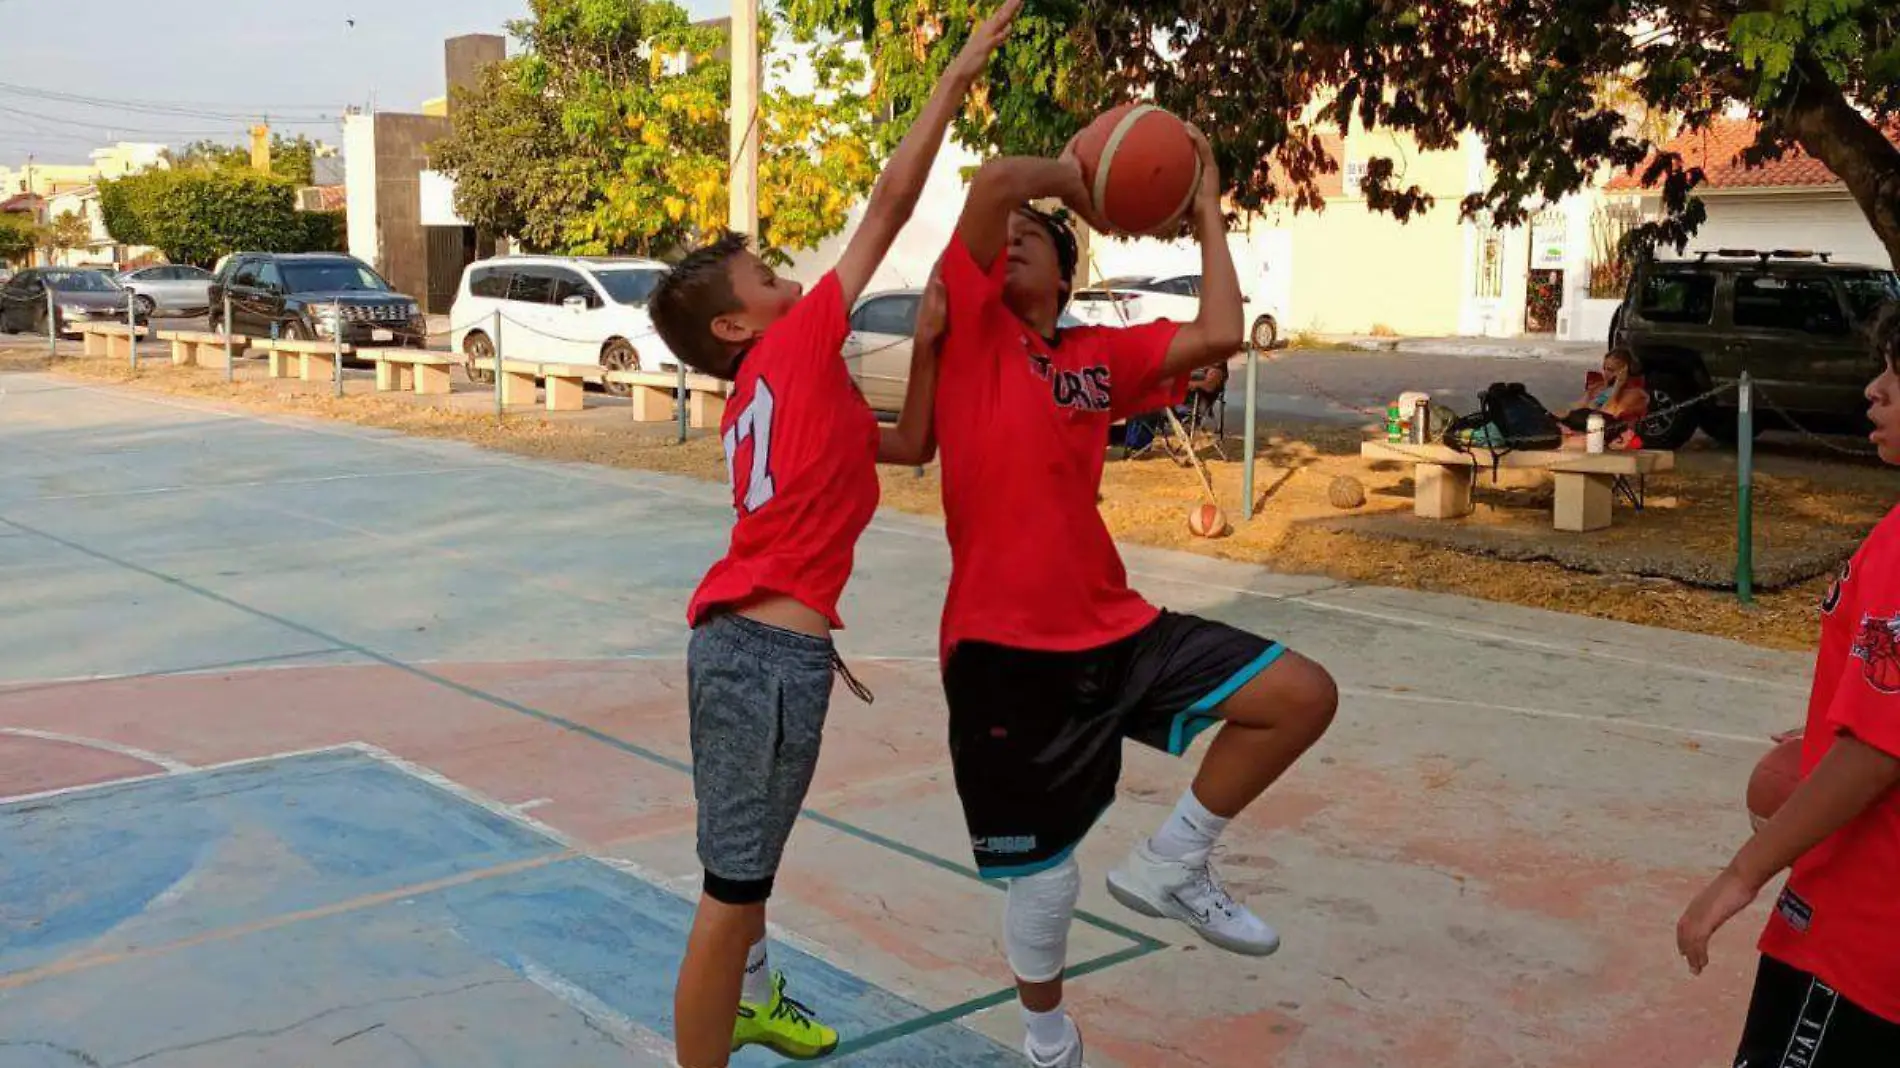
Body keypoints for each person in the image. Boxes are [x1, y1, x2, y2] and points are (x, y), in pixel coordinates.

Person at [645, 5, 1019, 1064]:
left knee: (749, 868)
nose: (785, 276)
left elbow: (905, 449)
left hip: (772, 656)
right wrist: (948, 82)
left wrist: (936, 344)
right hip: (760, 658)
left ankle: (756, 1000)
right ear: (735, 326)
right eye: (762, 277)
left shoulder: (786, 386)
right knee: (729, 892)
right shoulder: (799, 345)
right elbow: (891, 205)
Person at [930, 131, 1339, 1066]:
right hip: (1003, 650)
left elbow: (1220, 333)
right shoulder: (974, 335)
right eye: (1012, 234)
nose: (1017, 234)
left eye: (1039, 233)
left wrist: (1203, 207)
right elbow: (995, 183)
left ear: (1067, 279)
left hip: (1117, 627)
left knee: (1300, 696)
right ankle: (1048, 1041)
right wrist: (1086, 181)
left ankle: (1175, 859)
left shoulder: (1094, 356)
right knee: (1044, 881)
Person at [1676, 302, 1900, 1066]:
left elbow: (1878, 752)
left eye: (1897, 376)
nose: (1874, 389)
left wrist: (1742, 874)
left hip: (1857, 940)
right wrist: (1844, 715)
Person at [1559, 346, 1649, 449]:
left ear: (1624, 371)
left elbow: (1607, 415)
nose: (1605, 373)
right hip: (1580, 427)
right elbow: (1575, 408)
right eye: (1604, 368)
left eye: (1611, 370)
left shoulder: (1635, 394)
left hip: (1603, 434)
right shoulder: (1598, 388)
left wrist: (1618, 386)